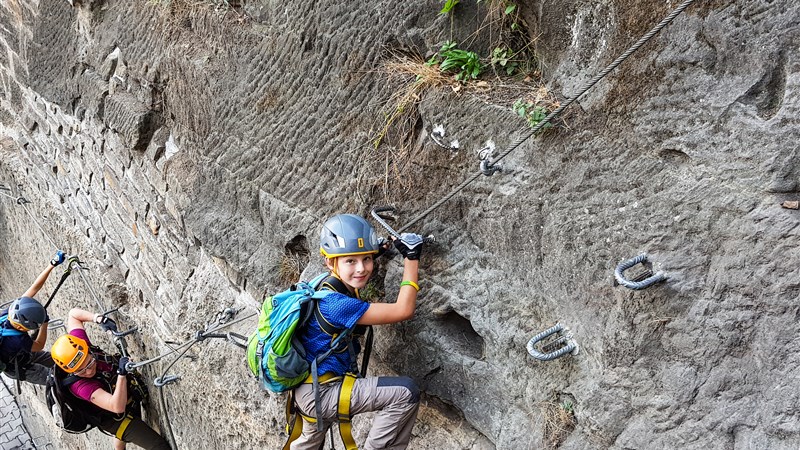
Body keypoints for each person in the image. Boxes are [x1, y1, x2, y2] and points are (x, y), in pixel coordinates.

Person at [289, 214, 424, 450]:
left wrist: (376, 250)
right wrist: (411, 258)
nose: (361, 269)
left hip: (307, 389)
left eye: (367, 259)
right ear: (329, 262)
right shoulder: (336, 304)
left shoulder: (325, 282)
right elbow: (403, 310)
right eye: (350, 261)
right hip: (322, 393)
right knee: (405, 392)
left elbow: (353, 271)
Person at [51, 308, 171, 450]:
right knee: (159, 446)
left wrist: (98, 318)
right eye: (81, 370)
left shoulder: (80, 347)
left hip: (123, 395)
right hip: (113, 417)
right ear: (70, 371)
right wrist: (121, 374)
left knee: (124, 435)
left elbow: (73, 315)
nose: (89, 371)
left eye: (89, 362)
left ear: (87, 350)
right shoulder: (81, 386)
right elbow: (116, 406)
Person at [0, 250, 65, 384]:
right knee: (55, 381)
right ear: (21, 327)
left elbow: (34, 288)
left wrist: (52, 264)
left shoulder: (9, 313)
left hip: (23, 353)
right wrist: (45, 323)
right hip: (20, 367)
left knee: (58, 359)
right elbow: (39, 345)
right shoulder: (18, 340)